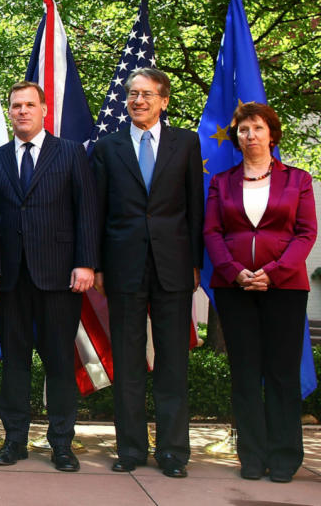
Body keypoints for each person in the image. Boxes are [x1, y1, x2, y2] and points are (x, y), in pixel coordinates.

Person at [92, 67, 203, 478]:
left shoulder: (186, 145)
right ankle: (132, 449)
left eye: (147, 94)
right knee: (129, 362)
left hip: (173, 268)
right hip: (124, 270)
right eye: (133, 93)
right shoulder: (107, 147)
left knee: (173, 363)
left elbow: (195, 208)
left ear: (164, 100)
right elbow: (97, 212)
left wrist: (194, 262)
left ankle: (173, 452)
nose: (138, 100)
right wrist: (99, 264)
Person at [0, 81, 98, 472]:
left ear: (44, 109)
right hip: (12, 280)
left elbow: (87, 210)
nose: (22, 111)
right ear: (9, 111)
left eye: (29, 105)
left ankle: (62, 445)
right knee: (15, 363)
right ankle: (14, 441)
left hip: (59, 279)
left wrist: (86, 263)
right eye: (15, 105)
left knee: (58, 364)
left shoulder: (70, 153)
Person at [203, 102, 316, 483]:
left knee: (282, 373)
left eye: (257, 128)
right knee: (245, 374)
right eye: (243, 130)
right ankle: (251, 455)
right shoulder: (222, 181)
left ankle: (285, 456)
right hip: (234, 289)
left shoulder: (297, 180)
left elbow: (305, 233)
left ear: (272, 133)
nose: (250, 135)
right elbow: (212, 233)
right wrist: (235, 272)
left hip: (284, 288)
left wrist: (273, 272)